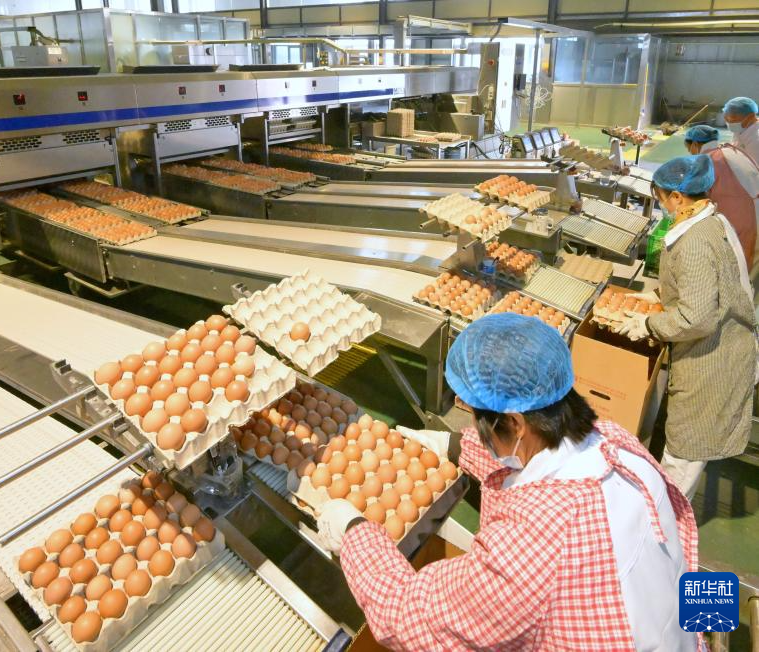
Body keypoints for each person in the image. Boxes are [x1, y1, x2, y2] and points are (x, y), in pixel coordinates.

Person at [318, 313, 699, 651]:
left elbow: (407, 616)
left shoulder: (531, 550)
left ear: (515, 423)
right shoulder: (618, 445)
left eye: (478, 419)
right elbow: (529, 455)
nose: (475, 427)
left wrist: (354, 532)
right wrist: (451, 445)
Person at [618, 155, 756, 499]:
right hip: (723, 344)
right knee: (683, 444)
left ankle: (667, 524)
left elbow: (697, 317)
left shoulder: (694, 240)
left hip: (714, 361)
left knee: (684, 455)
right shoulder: (712, 219)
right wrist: (661, 295)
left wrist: (649, 324)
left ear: (678, 197)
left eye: (662, 197)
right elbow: (708, 285)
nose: (661, 204)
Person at [684, 124, 759, 272]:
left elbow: (694, 199)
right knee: (747, 268)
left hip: (742, 219)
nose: (690, 153)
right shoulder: (732, 150)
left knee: (734, 270)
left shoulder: (706, 160)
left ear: (694, 144)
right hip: (754, 214)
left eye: (689, 149)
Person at [722, 96, 759, 164]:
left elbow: (754, 167)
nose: (729, 123)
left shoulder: (756, 138)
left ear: (750, 117)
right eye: (726, 119)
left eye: (733, 120)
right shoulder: (742, 128)